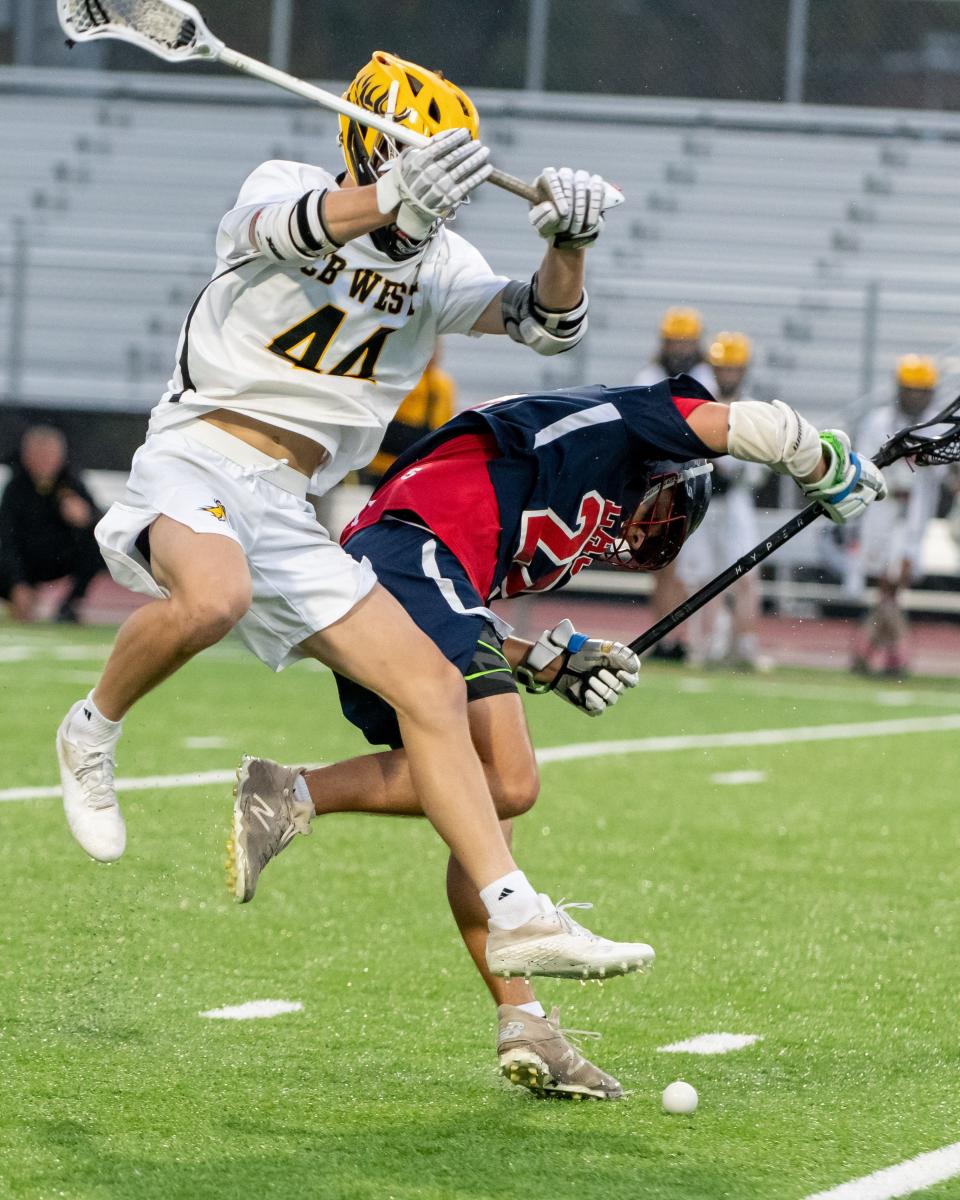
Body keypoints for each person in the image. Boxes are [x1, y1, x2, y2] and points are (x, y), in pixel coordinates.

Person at [54, 49, 651, 989]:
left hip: (291, 508)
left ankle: (514, 911)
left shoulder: (443, 259)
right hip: (200, 451)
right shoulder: (288, 186)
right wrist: (389, 203)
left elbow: (548, 323)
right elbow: (293, 230)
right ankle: (90, 731)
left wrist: (568, 243)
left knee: (433, 690)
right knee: (212, 598)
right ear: (372, 149)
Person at [234, 375, 886, 1098]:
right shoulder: (633, 420)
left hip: (417, 570)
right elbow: (750, 425)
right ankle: (289, 792)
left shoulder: (577, 515)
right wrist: (823, 464)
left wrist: (547, 661)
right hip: (414, 551)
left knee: (489, 825)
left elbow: (472, 607)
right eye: (659, 511)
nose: (642, 533)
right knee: (510, 780)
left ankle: (528, 1026)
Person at [677, 332, 767, 668]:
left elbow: (760, 462)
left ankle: (746, 645)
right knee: (699, 575)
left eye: (733, 368)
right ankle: (704, 644)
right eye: (723, 368)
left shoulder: (753, 407)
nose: (728, 374)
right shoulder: (700, 403)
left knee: (746, 574)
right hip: (703, 497)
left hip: (736, 499)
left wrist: (738, 471)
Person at [633, 308, 718, 661]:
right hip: (663, 477)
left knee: (694, 567)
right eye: (675, 342)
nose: (680, 349)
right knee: (663, 563)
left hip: (695, 476)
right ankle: (664, 636)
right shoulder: (649, 376)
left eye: (686, 342)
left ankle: (693, 639)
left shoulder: (705, 378)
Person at [851, 354, 939, 677]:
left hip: (914, 511)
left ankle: (882, 649)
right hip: (881, 507)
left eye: (922, 390)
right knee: (886, 586)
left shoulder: (936, 425)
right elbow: (863, 464)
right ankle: (882, 651)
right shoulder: (879, 422)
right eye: (911, 389)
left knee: (893, 583)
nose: (916, 396)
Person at [0, 425, 103, 623]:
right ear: (26, 456)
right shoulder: (15, 489)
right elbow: (7, 539)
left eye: (50, 454)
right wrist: (17, 584)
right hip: (25, 560)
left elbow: (102, 523)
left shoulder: (71, 482)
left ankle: (71, 604)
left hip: (59, 558)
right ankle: (20, 599)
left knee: (100, 541)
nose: (44, 461)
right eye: (38, 454)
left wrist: (87, 517)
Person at [358, 349, 456, 484]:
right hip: (384, 466)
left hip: (417, 466)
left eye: (435, 350)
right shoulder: (401, 380)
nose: (432, 355)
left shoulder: (443, 384)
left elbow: (442, 423)